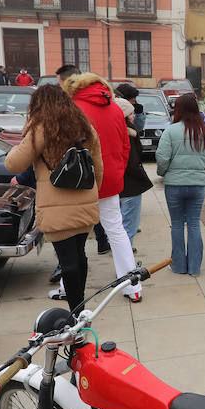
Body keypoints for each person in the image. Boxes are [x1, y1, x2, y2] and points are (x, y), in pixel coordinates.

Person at [4, 85, 102, 310]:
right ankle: (81, 307)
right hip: (85, 202)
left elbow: (13, 164)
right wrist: (93, 193)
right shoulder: (84, 126)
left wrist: (27, 132)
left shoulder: (41, 129)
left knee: (68, 262)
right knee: (79, 256)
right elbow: (98, 166)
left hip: (56, 208)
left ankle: (76, 314)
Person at [66, 73, 142, 302]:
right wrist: (117, 169)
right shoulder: (115, 108)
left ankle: (66, 286)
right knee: (117, 231)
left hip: (80, 181)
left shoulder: (73, 109)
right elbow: (125, 145)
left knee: (72, 235)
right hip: (110, 179)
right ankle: (133, 287)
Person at [156, 93, 205, 275]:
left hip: (174, 186)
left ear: (179, 110)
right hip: (198, 186)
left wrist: (164, 173)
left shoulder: (170, 131)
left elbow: (162, 158)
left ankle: (178, 266)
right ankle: (194, 267)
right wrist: (202, 172)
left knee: (176, 224)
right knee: (193, 224)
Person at [116, 97, 152, 247]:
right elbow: (132, 163)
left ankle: (123, 259)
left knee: (120, 225)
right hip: (130, 186)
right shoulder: (128, 135)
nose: (134, 116)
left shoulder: (114, 132)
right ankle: (127, 264)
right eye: (131, 114)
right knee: (128, 225)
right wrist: (143, 177)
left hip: (118, 185)